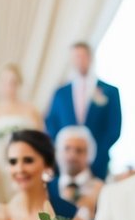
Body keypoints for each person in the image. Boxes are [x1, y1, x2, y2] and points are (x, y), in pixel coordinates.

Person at [45, 42, 121, 180]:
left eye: (82, 56)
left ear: (90, 58)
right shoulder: (60, 93)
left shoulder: (110, 91)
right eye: (75, 57)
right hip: (65, 162)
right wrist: (64, 151)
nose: (79, 60)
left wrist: (98, 152)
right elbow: (51, 123)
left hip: (98, 161)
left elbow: (114, 127)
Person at [0, 129, 83, 220]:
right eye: (13, 162)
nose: (19, 169)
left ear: (47, 165)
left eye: (28, 161)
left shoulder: (68, 216)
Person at [0, 63, 43, 202]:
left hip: (23, 166)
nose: (9, 86)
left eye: (13, 82)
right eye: (5, 81)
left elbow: (40, 143)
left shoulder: (30, 111)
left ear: (19, 84)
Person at [54, 125, 104, 220]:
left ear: (90, 154)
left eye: (79, 150)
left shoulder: (102, 189)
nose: (72, 155)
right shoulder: (46, 187)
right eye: (67, 149)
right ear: (58, 152)